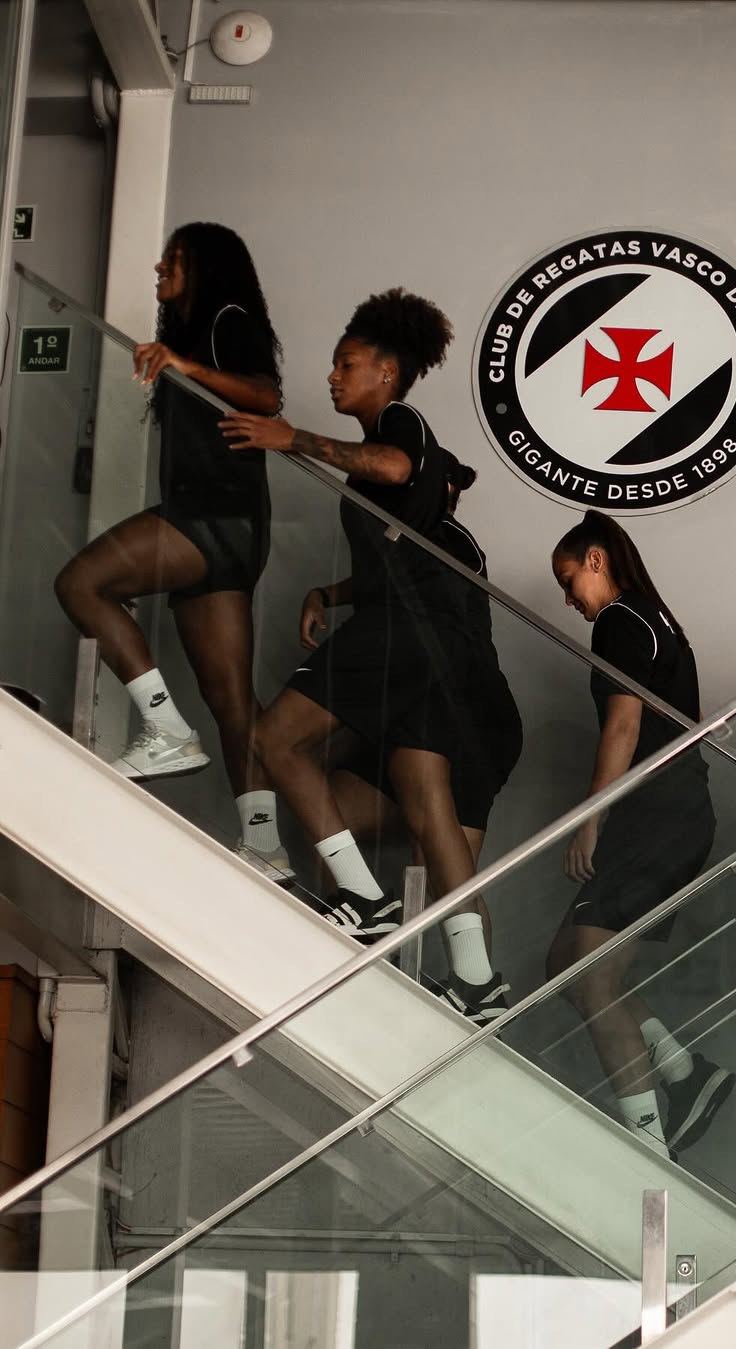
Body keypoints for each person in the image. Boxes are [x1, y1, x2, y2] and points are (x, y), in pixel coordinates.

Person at [221, 289, 510, 1024]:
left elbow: (392, 464)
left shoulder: (401, 424)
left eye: (346, 363)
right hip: (422, 639)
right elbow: (396, 556)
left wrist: (294, 439)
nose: (331, 375)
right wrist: (330, 591)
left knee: (275, 739)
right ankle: (477, 978)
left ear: (386, 371)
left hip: (408, 633)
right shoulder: (413, 497)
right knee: (417, 792)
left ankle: (362, 897)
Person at [54, 222, 292, 877]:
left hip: (211, 518)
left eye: (174, 259)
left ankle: (164, 729)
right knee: (233, 702)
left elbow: (267, 395)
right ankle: (266, 846)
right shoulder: (192, 333)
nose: (160, 267)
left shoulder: (227, 318)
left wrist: (186, 366)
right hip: (229, 528)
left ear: (205, 266)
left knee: (80, 584)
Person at [546, 510, 732, 1159]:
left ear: (596, 559)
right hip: (672, 814)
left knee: (593, 979)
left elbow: (623, 726)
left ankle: (647, 1149)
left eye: (569, 581)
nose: (569, 600)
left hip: (655, 816)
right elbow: (693, 721)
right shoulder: (660, 620)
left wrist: (590, 820)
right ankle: (684, 1071)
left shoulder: (622, 620)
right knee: (564, 964)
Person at [311, 452, 523, 1015]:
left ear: (440, 490)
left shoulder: (447, 537)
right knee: (334, 807)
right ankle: (355, 960)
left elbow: (403, 601)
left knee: (444, 869)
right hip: (428, 701)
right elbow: (381, 585)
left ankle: (477, 986)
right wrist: (327, 594)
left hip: (468, 708)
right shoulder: (406, 539)